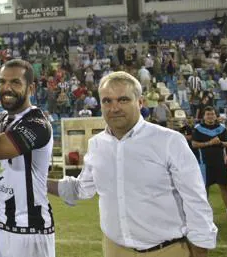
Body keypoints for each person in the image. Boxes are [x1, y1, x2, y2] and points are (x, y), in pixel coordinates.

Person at [49, 71, 217, 257]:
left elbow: (195, 198)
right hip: (115, 249)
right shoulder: (97, 145)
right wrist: (37, 180)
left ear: (140, 102)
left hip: (167, 250)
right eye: (107, 101)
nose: (114, 108)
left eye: (123, 100)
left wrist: (201, 248)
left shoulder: (169, 141)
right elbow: (82, 189)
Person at [0, 59, 55, 257]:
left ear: (30, 88)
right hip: (1, 224)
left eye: (15, 82)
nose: (6, 88)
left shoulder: (37, 124)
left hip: (30, 230)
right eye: (2, 82)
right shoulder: (1, 119)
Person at [192, 106, 227, 221]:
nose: (210, 116)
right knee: (205, 189)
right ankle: (204, 214)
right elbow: (194, 144)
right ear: (204, 116)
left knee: (224, 187)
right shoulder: (198, 128)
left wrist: (221, 142)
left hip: (220, 163)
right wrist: (210, 142)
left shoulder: (221, 128)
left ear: (215, 115)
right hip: (204, 164)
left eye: (212, 114)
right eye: (208, 114)